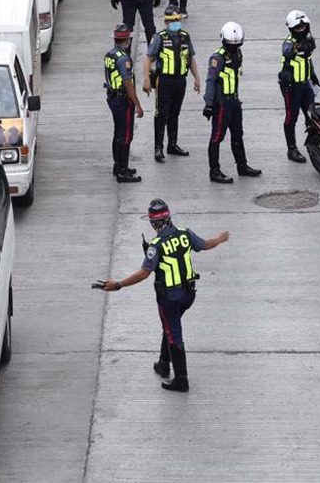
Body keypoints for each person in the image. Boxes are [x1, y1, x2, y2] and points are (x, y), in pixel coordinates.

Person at [94, 199, 230, 392]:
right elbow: (205, 245)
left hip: (169, 298)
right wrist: (220, 238)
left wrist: (117, 285)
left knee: (174, 334)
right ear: (169, 217)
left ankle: (181, 380)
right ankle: (163, 363)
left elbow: (143, 273)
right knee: (170, 326)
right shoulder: (185, 233)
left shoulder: (155, 245)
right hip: (188, 295)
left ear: (153, 223)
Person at [203, 21, 261, 183]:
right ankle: (214, 171)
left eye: (237, 44)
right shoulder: (217, 58)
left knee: (237, 134)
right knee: (217, 136)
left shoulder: (238, 53)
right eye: (231, 44)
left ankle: (242, 166)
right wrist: (208, 104)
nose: (234, 47)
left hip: (234, 100)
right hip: (222, 103)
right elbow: (210, 80)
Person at [144, 5, 200, 161]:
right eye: (172, 20)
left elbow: (190, 58)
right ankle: (158, 148)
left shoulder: (185, 37)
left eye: (177, 20)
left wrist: (196, 78)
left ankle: (172, 144)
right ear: (167, 21)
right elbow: (149, 58)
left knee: (175, 113)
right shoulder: (160, 37)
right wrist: (147, 79)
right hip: (164, 81)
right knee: (161, 114)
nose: (176, 23)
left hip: (180, 80)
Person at [104, 24, 144, 183]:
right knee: (126, 135)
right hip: (123, 100)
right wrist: (138, 105)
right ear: (127, 40)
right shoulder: (124, 59)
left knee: (118, 133)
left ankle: (119, 165)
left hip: (113, 97)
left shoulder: (110, 54)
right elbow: (128, 83)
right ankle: (122, 171)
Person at [279, 10, 320, 163]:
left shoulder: (309, 39)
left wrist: (313, 76)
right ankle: (292, 149)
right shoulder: (289, 43)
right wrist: (296, 48)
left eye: (304, 27)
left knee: (313, 115)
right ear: (291, 29)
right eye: (298, 28)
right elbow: (287, 51)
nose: (301, 30)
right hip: (292, 87)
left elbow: (308, 60)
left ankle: (315, 144)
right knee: (292, 117)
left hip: (305, 84)